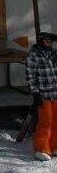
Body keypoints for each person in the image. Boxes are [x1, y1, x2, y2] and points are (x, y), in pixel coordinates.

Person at [26, 31, 57, 161]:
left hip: (56, 92)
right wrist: (35, 92)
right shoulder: (33, 55)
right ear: (40, 41)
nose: (49, 43)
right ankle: (41, 148)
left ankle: (54, 146)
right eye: (46, 41)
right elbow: (30, 75)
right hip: (44, 94)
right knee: (46, 122)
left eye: (51, 41)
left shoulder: (54, 54)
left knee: (56, 121)